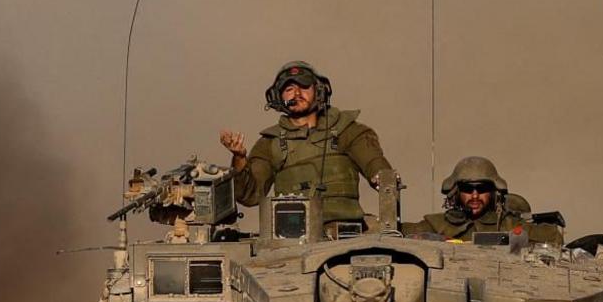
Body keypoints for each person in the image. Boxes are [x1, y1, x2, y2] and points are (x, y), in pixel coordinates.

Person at [220, 61, 396, 234]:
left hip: (346, 233)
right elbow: (250, 194)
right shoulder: (270, 142)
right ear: (278, 98)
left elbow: (377, 167)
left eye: (303, 87)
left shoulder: (346, 130)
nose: (296, 93)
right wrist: (239, 158)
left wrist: (381, 178)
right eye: (289, 90)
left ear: (319, 91)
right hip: (293, 236)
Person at [402, 156, 564, 243]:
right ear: (456, 192)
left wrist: (506, 242)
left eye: (481, 189)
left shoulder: (508, 224)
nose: (474, 196)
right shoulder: (437, 225)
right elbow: (396, 233)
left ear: (494, 192)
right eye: (467, 189)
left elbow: (553, 237)